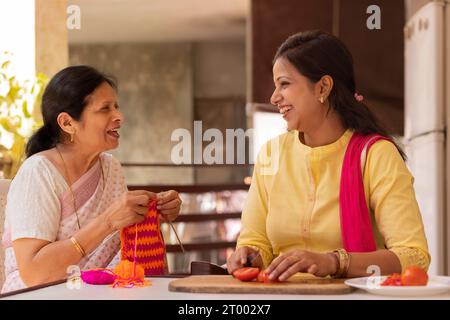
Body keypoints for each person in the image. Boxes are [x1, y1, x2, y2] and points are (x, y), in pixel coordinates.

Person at [227, 30, 430, 282]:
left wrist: (333, 261)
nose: (273, 97)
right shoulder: (271, 154)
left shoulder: (375, 155)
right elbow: (256, 239)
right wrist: (250, 255)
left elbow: (414, 256)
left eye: (285, 84)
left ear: (323, 87)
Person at [1, 65, 182, 293]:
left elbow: (123, 244)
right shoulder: (38, 172)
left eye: (116, 106)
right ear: (68, 123)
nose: (119, 116)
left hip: (100, 293)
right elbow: (35, 273)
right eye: (105, 109)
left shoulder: (110, 167)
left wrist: (152, 211)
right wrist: (108, 221)